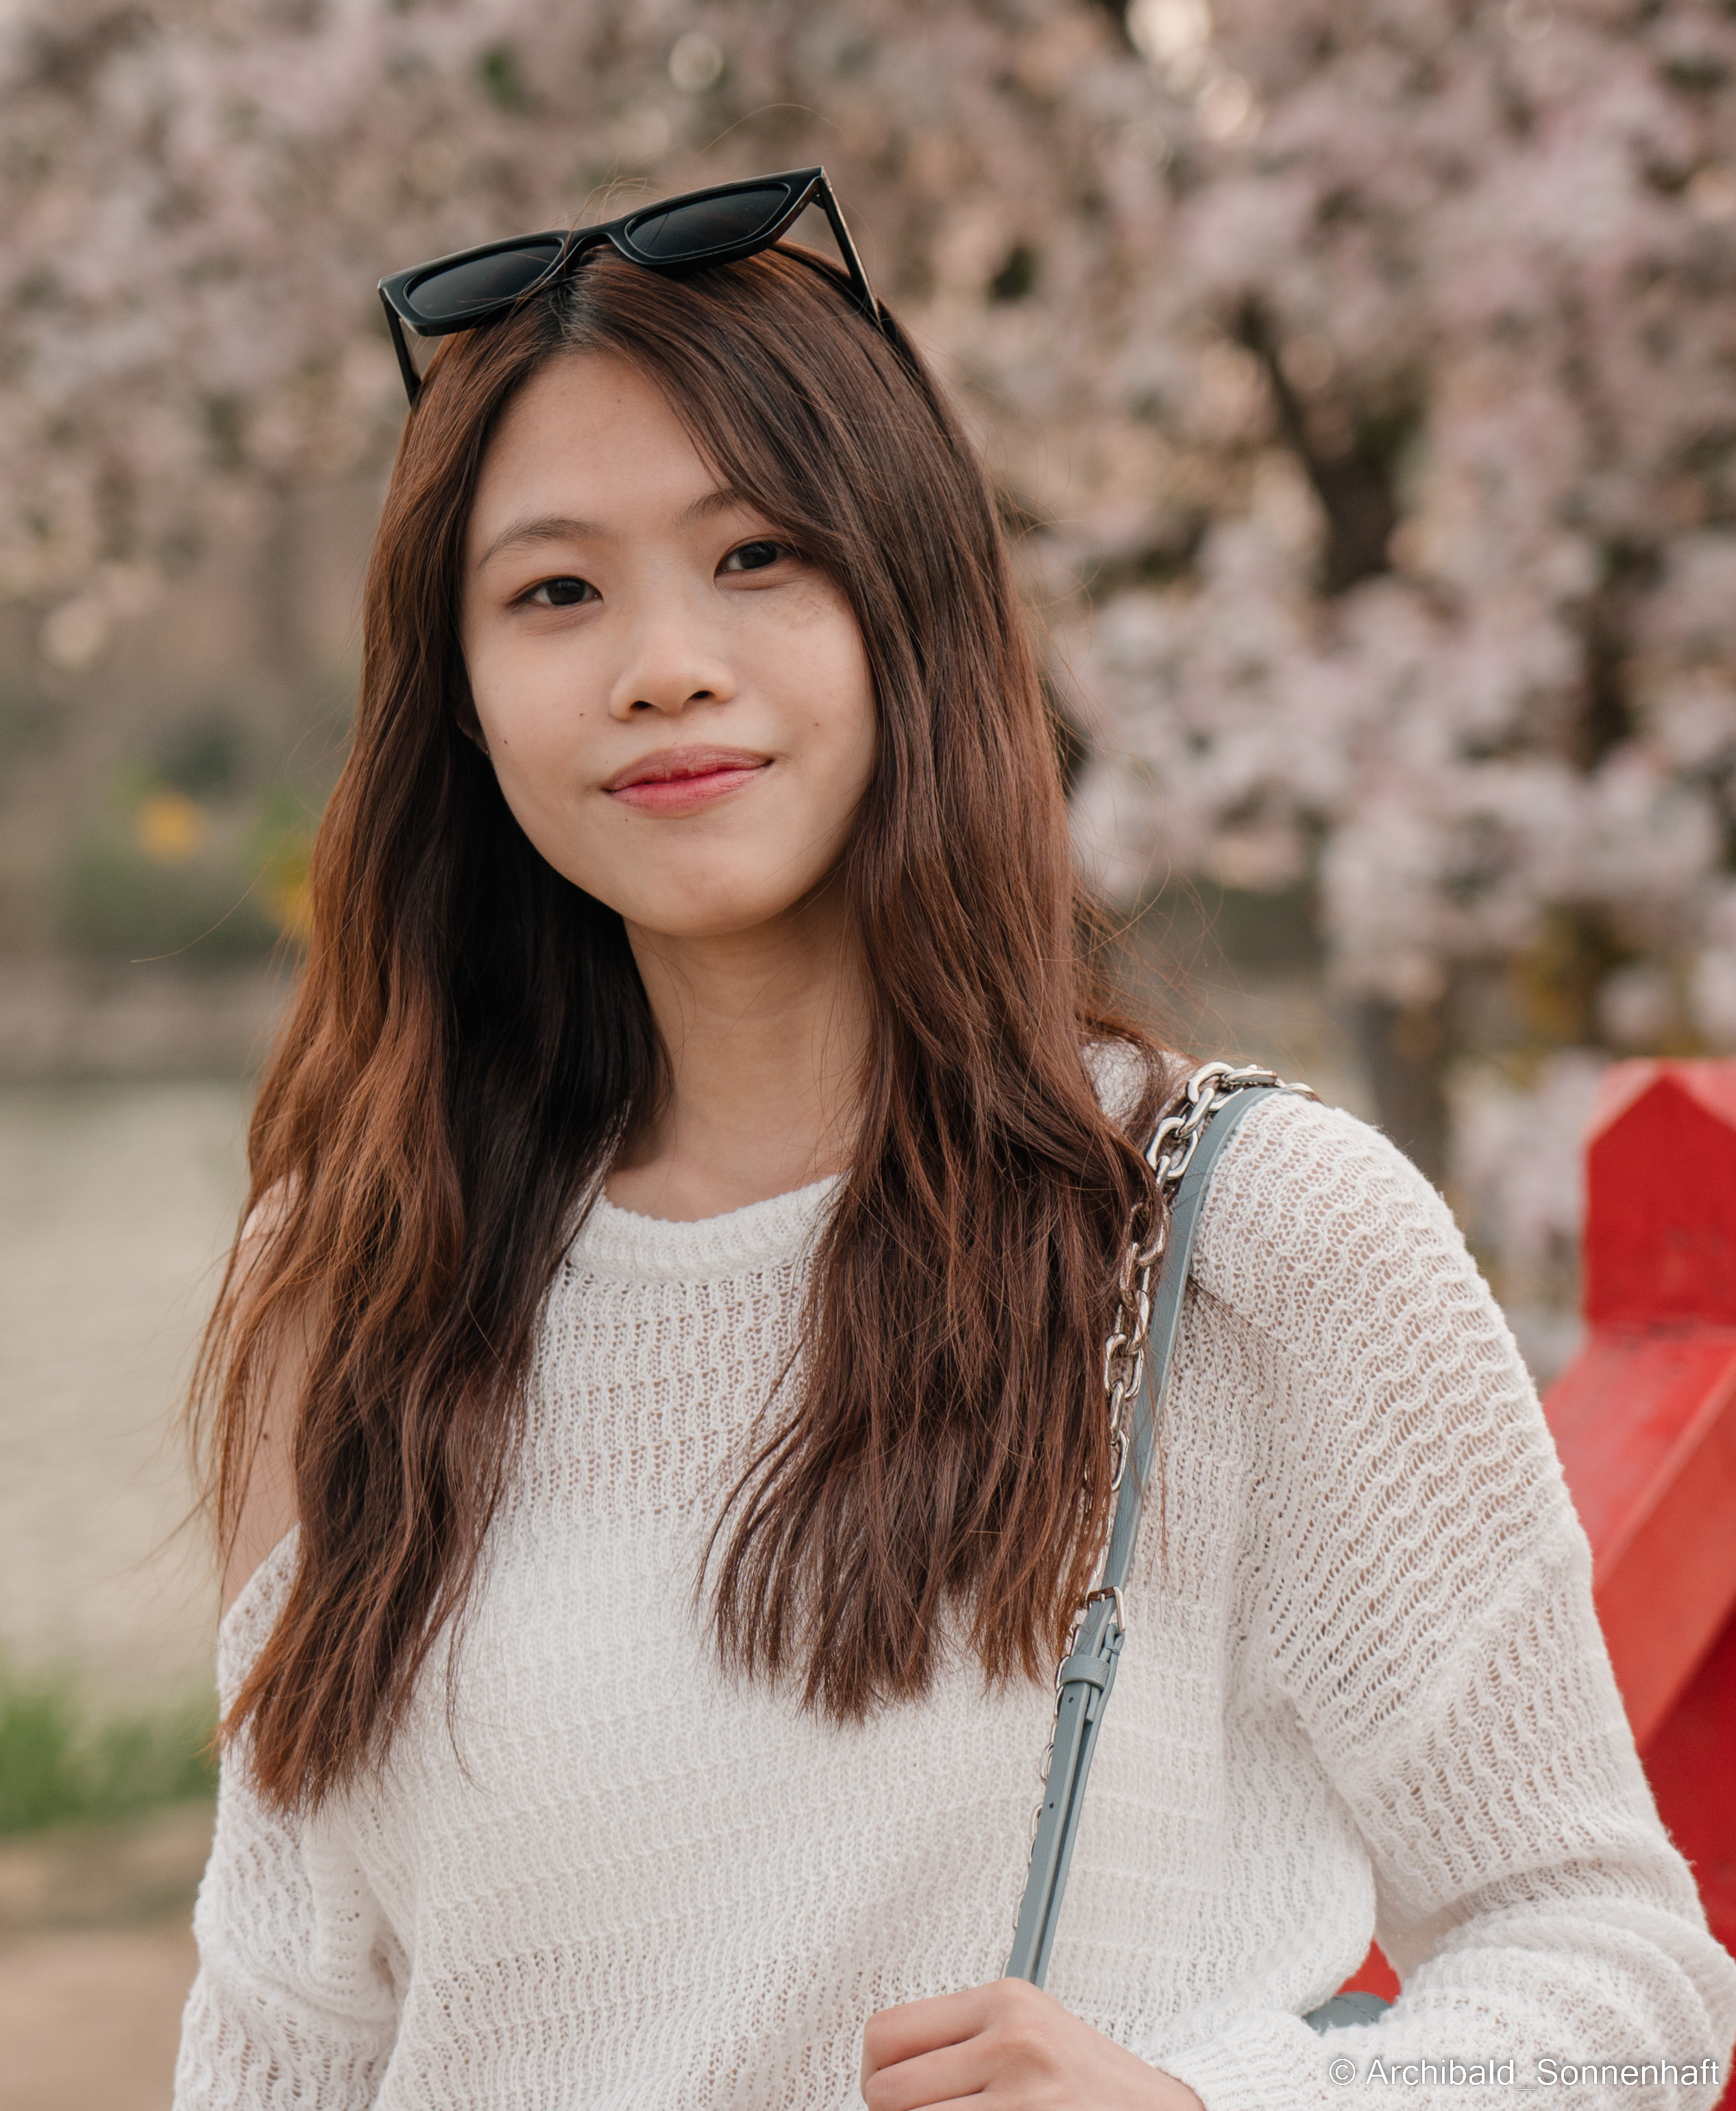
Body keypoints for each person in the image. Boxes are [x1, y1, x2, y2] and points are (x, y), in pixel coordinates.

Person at [177, 171, 1735, 2110]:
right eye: (555, 591)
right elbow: (286, 2037)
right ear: (466, 704)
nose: (661, 661)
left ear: (910, 601)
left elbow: (1618, 1969)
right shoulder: (364, 1279)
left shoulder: (1241, 1238)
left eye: (754, 558)